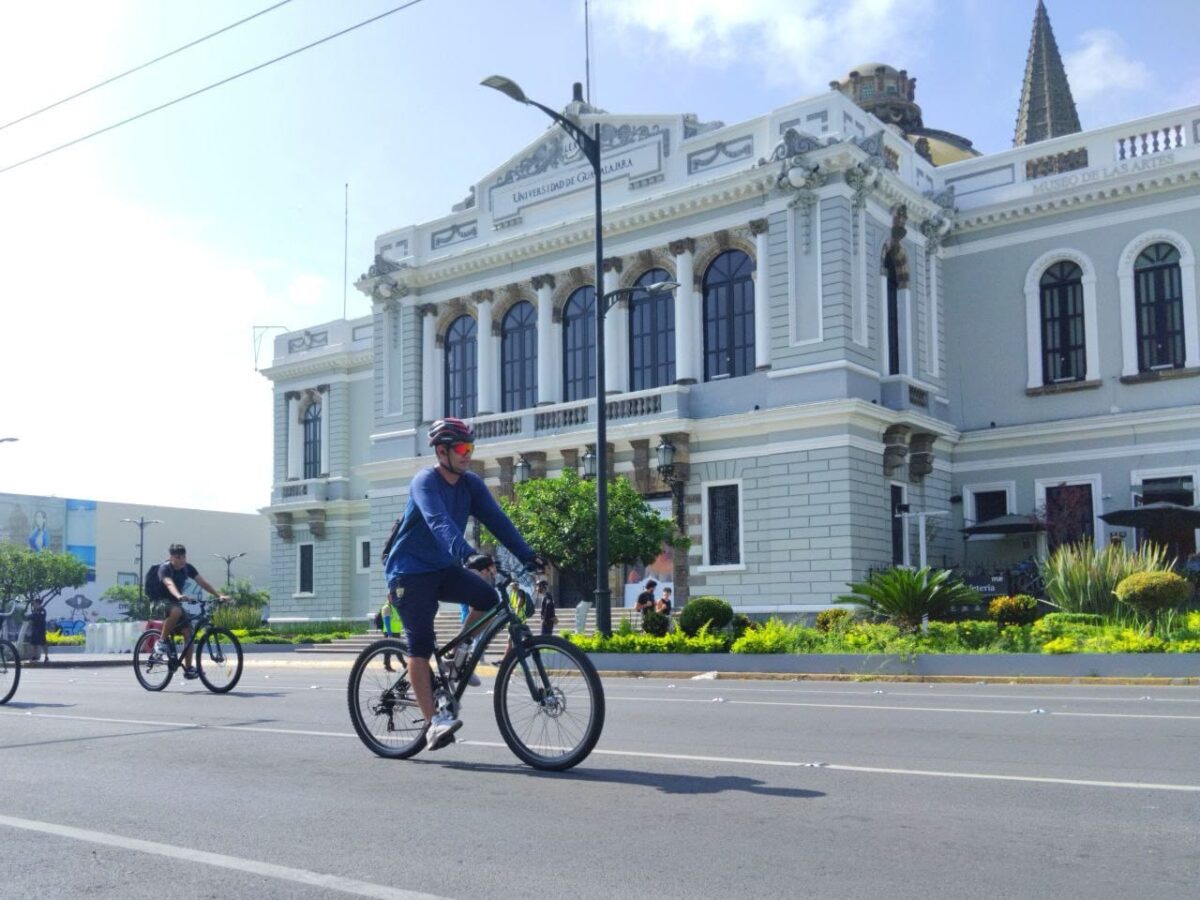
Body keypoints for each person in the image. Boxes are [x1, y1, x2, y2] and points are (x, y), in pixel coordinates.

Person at [383, 418, 544, 752]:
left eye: (471, 448)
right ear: (441, 451)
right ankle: (434, 723)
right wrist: (468, 554)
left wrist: (529, 554)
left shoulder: (470, 484)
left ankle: (459, 656)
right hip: (409, 573)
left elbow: (499, 521)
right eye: (461, 448)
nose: (468, 454)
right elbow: (437, 521)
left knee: (487, 597)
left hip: (442, 568)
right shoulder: (424, 481)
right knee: (421, 643)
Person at [151, 544, 228, 680]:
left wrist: (218, 595)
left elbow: (203, 583)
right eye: (178, 557)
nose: (181, 560)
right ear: (171, 557)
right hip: (159, 602)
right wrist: (179, 595)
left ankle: (189, 669)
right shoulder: (165, 568)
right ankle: (161, 642)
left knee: (188, 633)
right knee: (176, 610)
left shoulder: (188, 568)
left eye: (184, 557)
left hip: (176, 602)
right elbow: (169, 583)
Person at [24, 597, 49, 664]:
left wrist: (30, 616)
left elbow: (36, 617)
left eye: (34, 603)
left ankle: (46, 657)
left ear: (38, 603)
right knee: (33, 644)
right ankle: (33, 657)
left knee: (43, 643)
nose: (34, 605)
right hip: (35, 630)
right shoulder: (35, 611)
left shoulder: (43, 610)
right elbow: (32, 616)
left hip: (41, 630)